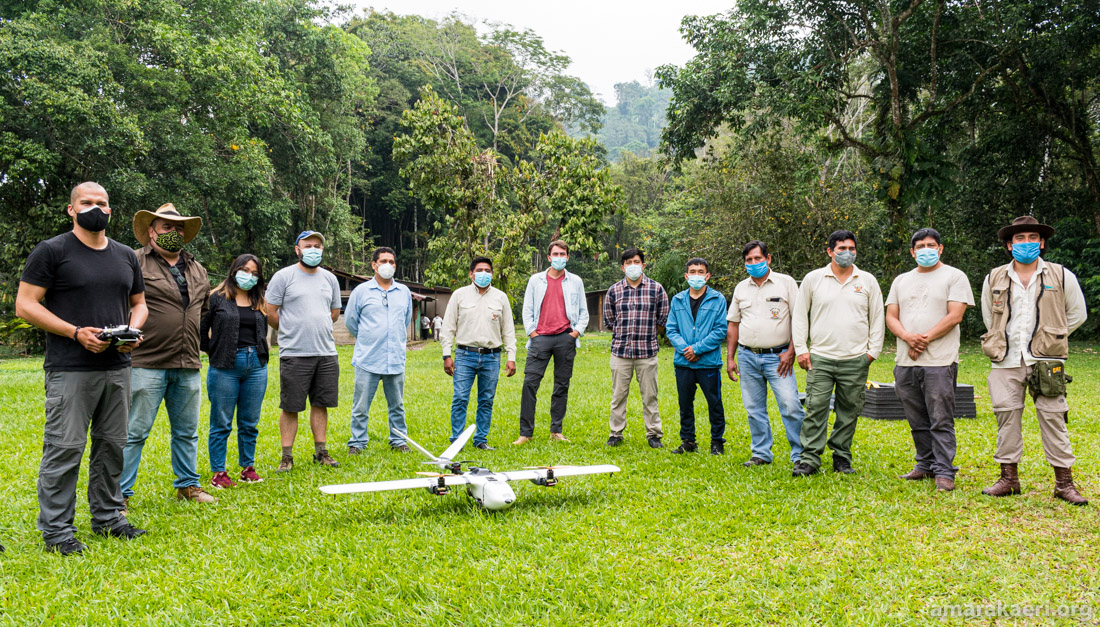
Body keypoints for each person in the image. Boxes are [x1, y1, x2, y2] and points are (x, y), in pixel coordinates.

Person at [16, 181, 149, 555]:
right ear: (71, 209)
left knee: (112, 446)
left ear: (110, 210)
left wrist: (133, 328)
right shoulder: (52, 251)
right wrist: (75, 333)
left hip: (117, 365)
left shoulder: (124, 256)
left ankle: (109, 518)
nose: (96, 207)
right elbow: (25, 305)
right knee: (65, 447)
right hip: (70, 367)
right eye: (87, 202)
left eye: (102, 202)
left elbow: (140, 303)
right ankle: (57, 531)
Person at [979, 216, 1088, 505]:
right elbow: (989, 316)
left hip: (1047, 361)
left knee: (1053, 418)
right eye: (1019, 238)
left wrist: (1052, 337)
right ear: (1008, 244)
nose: (1026, 243)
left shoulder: (1061, 275)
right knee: (1006, 417)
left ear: (1041, 242)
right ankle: (1008, 479)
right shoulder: (994, 277)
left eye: (1032, 237)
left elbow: (1076, 314)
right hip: (1006, 360)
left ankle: (1064, 484)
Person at [120, 204, 215, 506]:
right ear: (151, 231)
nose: (173, 232)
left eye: (178, 228)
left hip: (188, 361)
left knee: (187, 432)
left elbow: (202, 311)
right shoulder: (133, 261)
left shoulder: (196, 268)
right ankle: (119, 494)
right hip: (146, 361)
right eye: (166, 227)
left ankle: (188, 486)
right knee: (134, 431)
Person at [886, 228, 973, 492]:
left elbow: (955, 315)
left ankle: (945, 472)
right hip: (906, 361)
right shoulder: (901, 280)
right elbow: (891, 316)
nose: (926, 249)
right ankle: (924, 465)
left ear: (940, 248)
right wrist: (907, 338)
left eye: (931, 245)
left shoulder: (954, 276)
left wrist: (922, 340)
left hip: (940, 361)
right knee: (916, 418)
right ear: (912, 252)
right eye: (921, 246)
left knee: (941, 418)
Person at [792, 230, 884, 476]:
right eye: (842, 248)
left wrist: (871, 353)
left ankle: (842, 458)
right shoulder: (813, 279)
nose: (847, 253)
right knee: (815, 408)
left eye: (852, 248)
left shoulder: (867, 280)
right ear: (830, 251)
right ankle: (809, 459)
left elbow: (877, 318)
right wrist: (801, 349)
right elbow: (800, 316)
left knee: (848, 411)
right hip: (820, 357)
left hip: (855, 359)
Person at [266, 231, 343, 471]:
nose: (313, 249)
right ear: (297, 249)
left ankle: (321, 451)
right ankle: (286, 456)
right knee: (291, 406)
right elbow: (270, 312)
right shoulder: (283, 276)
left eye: (317, 246)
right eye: (308, 245)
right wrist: (290, 329)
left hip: (326, 353)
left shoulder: (330, 279)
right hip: (295, 353)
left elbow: (334, 313)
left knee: (321, 404)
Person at [726, 240, 804, 469]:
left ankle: (800, 455)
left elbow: (799, 320)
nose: (753, 263)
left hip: (779, 357)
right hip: (747, 356)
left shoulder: (786, 283)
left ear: (768, 259)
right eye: (749, 260)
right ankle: (761, 453)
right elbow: (733, 324)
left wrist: (792, 351)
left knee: (790, 405)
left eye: (757, 259)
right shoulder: (741, 288)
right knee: (754, 408)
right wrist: (730, 358)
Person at [201, 254, 270, 488]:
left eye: (254, 272)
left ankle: (247, 468)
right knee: (221, 422)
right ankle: (219, 473)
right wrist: (216, 351)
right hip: (225, 367)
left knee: (250, 422)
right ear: (234, 271)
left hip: (256, 367)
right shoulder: (217, 298)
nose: (248, 276)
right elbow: (200, 332)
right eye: (244, 270)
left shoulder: (259, 300)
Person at [515, 240, 589, 444]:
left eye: (562, 254)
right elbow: (527, 310)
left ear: (568, 257)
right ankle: (525, 433)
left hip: (565, 338)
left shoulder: (576, 281)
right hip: (540, 339)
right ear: (548, 257)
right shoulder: (536, 280)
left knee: (561, 385)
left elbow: (584, 312)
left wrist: (575, 334)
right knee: (530, 383)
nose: (559, 258)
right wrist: (532, 333)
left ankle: (556, 431)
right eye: (555, 254)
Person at [440, 257, 518, 450]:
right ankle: (457, 440)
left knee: (486, 400)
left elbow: (508, 329)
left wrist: (511, 357)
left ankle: (481, 439)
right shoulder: (460, 295)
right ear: (471, 273)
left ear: (492, 273)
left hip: (492, 357)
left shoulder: (500, 297)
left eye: (488, 270)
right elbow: (448, 326)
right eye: (479, 270)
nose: (484, 273)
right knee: (460, 398)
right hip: (465, 355)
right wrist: (446, 355)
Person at [345, 247, 414, 453]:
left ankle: (398, 440)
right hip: (368, 358)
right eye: (383, 261)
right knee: (361, 407)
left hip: (395, 359)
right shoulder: (361, 291)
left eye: (391, 262)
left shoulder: (403, 292)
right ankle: (357, 443)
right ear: (374, 265)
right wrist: (369, 337)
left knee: (397, 406)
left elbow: (406, 319)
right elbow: (351, 321)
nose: (388, 265)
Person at [603, 248, 669, 449]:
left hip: (647, 352)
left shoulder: (656, 289)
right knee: (618, 396)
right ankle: (615, 433)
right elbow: (609, 320)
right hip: (621, 352)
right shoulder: (614, 291)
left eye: (637, 261)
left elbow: (662, 319)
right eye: (629, 262)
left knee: (650, 395)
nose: (633, 265)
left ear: (643, 265)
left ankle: (654, 434)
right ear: (623, 267)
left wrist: (647, 336)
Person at [666, 257, 729, 455]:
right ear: (686, 276)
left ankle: (717, 441)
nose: (696, 276)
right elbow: (671, 329)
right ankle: (688, 441)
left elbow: (720, 330)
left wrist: (698, 349)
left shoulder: (717, 299)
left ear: (707, 276)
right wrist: (686, 349)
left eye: (700, 272)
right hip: (683, 363)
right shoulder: (677, 300)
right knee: (685, 403)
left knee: (714, 403)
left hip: (708, 363)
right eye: (692, 272)